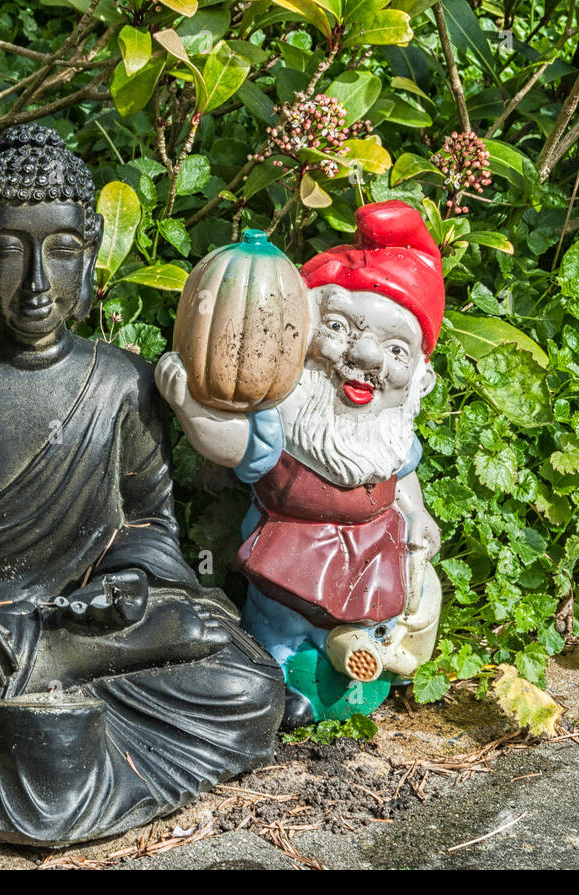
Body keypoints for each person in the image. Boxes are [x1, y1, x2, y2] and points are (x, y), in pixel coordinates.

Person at [0, 125, 284, 847]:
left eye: (62, 251)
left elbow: (149, 523)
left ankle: (70, 654)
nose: (36, 283)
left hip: (83, 614)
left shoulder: (122, 380)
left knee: (246, 683)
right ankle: (68, 662)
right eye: (8, 250)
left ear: (90, 258)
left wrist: (129, 585)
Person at [158, 200, 444, 728]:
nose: (364, 358)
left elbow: (404, 483)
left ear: (420, 379)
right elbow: (231, 443)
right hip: (291, 556)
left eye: (396, 351)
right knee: (279, 627)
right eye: (338, 327)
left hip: (372, 558)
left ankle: (364, 665)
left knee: (380, 621)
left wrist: (418, 516)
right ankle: (278, 675)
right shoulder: (283, 425)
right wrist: (191, 409)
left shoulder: (392, 437)